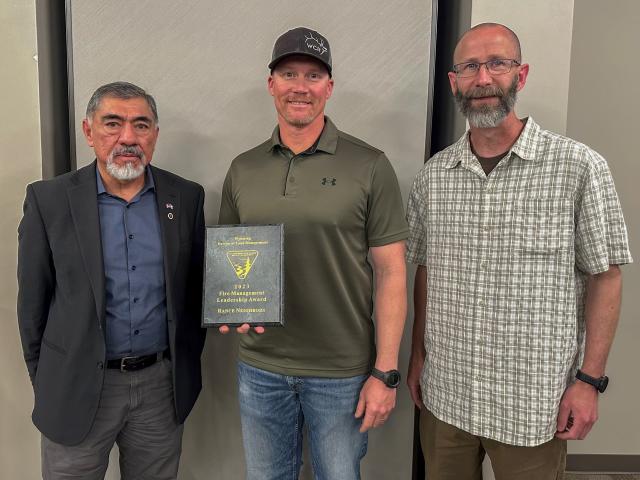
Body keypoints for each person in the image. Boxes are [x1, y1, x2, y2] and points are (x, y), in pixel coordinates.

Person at [406, 23, 633, 480]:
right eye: (470, 67)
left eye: (498, 64)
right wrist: (418, 356)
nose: (484, 79)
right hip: (448, 394)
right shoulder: (435, 176)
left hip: (533, 405)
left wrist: (589, 383)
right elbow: (427, 270)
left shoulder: (578, 167)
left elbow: (606, 276)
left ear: (521, 75)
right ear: (454, 82)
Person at [218, 27, 408, 480]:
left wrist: (385, 371)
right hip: (260, 365)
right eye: (288, 74)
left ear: (329, 87)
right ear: (271, 85)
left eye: (313, 75)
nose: (300, 87)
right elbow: (228, 260)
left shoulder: (371, 165)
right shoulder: (243, 167)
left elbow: (391, 274)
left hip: (342, 371)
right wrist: (231, 303)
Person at [17, 81, 206, 480]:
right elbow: (32, 305)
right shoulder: (48, 200)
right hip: (77, 386)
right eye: (112, 123)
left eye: (141, 125)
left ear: (155, 134)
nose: (127, 137)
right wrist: (52, 377)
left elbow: (194, 295)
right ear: (89, 131)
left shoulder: (186, 198)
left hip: (159, 390)